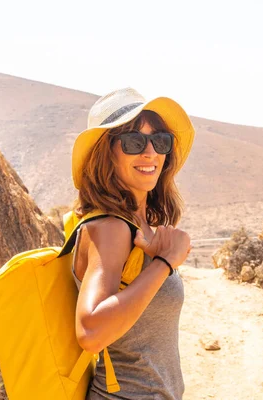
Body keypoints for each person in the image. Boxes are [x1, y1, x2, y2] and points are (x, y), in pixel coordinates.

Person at [69, 87, 195, 399]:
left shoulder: (135, 227)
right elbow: (90, 331)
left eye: (160, 140)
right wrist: (165, 263)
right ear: (106, 152)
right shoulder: (111, 227)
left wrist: (158, 257)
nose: (150, 152)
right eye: (134, 141)